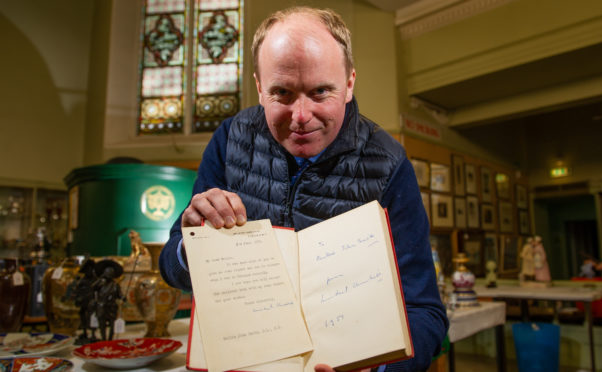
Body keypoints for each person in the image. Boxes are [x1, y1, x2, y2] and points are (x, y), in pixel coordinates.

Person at [160, 6, 448, 371]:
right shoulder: (230, 140)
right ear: (260, 87)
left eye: (320, 91)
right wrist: (192, 244)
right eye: (282, 92)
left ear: (349, 84)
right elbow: (172, 267)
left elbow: (425, 312)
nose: (301, 116)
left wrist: (379, 369)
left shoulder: (389, 165)